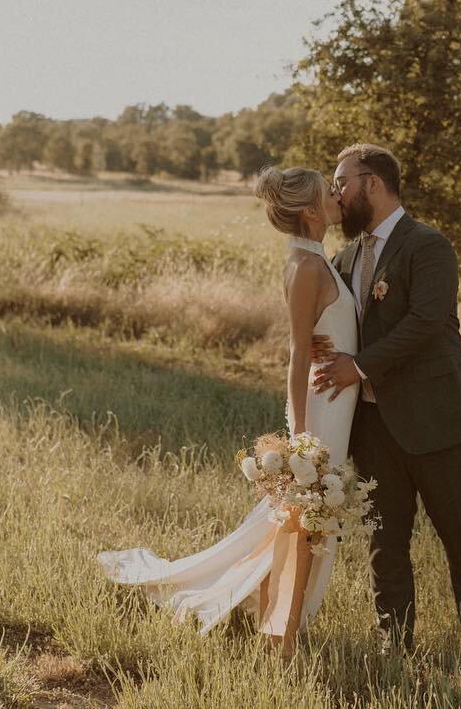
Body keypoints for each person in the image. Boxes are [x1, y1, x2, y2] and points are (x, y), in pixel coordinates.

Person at [95, 166, 359, 658]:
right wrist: (299, 435)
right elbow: (298, 353)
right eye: (330, 192)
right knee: (304, 519)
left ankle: (274, 612)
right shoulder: (304, 266)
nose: (339, 196)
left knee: (304, 520)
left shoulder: (319, 258)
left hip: (338, 403)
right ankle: (283, 635)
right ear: (310, 209)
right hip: (320, 408)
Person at [311, 143, 461, 653]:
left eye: (341, 182)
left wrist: (360, 366)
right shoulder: (344, 258)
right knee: (384, 543)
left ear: (372, 182)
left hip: (438, 422)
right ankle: (395, 643)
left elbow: (425, 323)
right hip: (371, 428)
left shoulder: (428, 245)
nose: (336, 194)